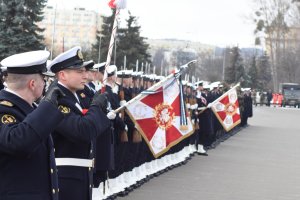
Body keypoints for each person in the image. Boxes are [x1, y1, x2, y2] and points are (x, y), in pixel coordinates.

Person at [47, 46, 116, 200]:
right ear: (63, 75)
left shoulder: (72, 96)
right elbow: (82, 131)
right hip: (65, 178)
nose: (85, 75)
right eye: (80, 72)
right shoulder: (57, 99)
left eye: (85, 71)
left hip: (78, 176)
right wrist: (96, 107)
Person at [0, 50, 65, 200]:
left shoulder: (31, 108)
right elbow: (18, 141)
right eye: (44, 79)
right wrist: (47, 106)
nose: (45, 84)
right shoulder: (4, 108)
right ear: (33, 84)